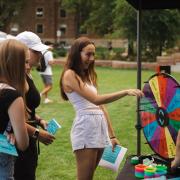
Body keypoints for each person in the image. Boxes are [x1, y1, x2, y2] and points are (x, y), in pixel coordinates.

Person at [60, 37, 144, 180]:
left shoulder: (87, 76)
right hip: (85, 128)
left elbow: (101, 107)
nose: (92, 58)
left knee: (90, 176)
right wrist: (125, 92)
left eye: (93, 54)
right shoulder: (70, 75)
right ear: (76, 53)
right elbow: (96, 99)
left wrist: (111, 135)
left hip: (98, 126)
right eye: (88, 54)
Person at [14, 31, 55, 180]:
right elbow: (13, 118)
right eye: (36, 51)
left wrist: (39, 120)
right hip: (18, 141)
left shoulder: (27, 74)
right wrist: (37, 133)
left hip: (27, 138)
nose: (40, 55)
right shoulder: (16, 78)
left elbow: (25, 109)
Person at [0, 39, 29, 179]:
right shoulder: (13, 96)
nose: (28, 67)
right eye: (25, 62)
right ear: (15, 63)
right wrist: (15, 136)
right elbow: (23, 144)